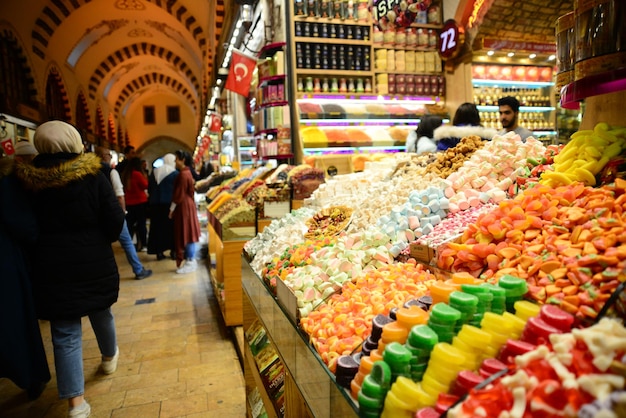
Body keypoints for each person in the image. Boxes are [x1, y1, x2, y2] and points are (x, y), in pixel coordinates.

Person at [14, 120, 125, 418]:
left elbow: (23, 225)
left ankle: (76, 404)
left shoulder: (26, 181)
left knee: (64, 331)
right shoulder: (94, 176)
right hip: (93, 261)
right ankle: (108, 356)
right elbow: (115, 219)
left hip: (50, 266)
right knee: (101, 311)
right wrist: (100, 239)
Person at [0, 156, 51, 400]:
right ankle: (31, 376)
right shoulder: (7, 183)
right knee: (14, 320)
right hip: (5, 261)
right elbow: (23, 224)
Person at [96, 147, 152, 280]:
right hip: (113, 211)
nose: (110, 157)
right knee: (127, 241)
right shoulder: (111, 172)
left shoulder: (90, 173)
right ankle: (138, 270)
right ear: (104, 157)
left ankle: (103, 275)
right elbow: (120, 195)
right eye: (108, 155)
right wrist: (122, 212)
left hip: (98, 214)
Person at [169, 150, 201, 274]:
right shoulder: (186, 173)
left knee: (187, 233)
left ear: (182, 160)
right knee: (189, 232)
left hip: (184, 206)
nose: (175, 162)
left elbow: (179, 194)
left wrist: (171, 209)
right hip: (187, 205)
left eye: (176, 159)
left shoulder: (183, 174)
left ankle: (190, 260)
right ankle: (190, 259)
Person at [147, 153, 178, 261]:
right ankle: (173, 251)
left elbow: (150, 188)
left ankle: (159, 252)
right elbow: (176, 191)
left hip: (155, 204)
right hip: (169, 204)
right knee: (171, 228)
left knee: (157, 228)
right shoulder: (174, 173)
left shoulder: (154, 172)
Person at [433, 102, 497, 151]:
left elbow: (440, 155)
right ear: (477, 117)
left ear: (457, 117)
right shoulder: (487, 137)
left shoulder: (447, 136)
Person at [121, 157, 149, 251]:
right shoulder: (137, 174)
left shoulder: (126, 175)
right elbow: (145, 185)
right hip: (140, 202)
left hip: (129, 202)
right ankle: (144, 244)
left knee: (129, 224)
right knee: (141, 224)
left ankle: (128, 244)